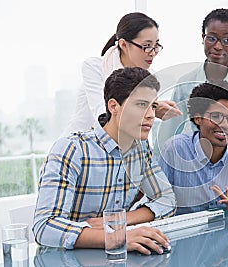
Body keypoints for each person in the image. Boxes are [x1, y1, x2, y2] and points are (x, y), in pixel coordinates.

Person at [33, 67, 175, 255]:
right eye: (141, 105)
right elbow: (45, 226)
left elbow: (167, 200)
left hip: (118, 257)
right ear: (113, 106)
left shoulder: (140, 149)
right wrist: (118, 237)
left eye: (153, 106)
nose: (150, 115)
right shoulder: (72, 149)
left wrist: (119, 221)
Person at [155, 8, 228, 156]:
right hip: (195, 162)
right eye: (211, 38)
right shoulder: (185, 83)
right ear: (203, 38)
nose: (218, 46)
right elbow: (168, 134)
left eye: (227, 40)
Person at [66, 12, 181, 133]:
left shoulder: (149, 77)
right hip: (82, 143)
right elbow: (103, 116)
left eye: (156, 45)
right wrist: (150, 107)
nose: (152, 52)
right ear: (124, 44)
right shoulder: (95, 67)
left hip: (120, 146)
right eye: (147, 45)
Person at [158, 81, 228, 215]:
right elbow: (158, 201)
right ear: (198, 118)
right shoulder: (175, 149)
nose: (225, 125)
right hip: (189, 234)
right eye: (216, 116)